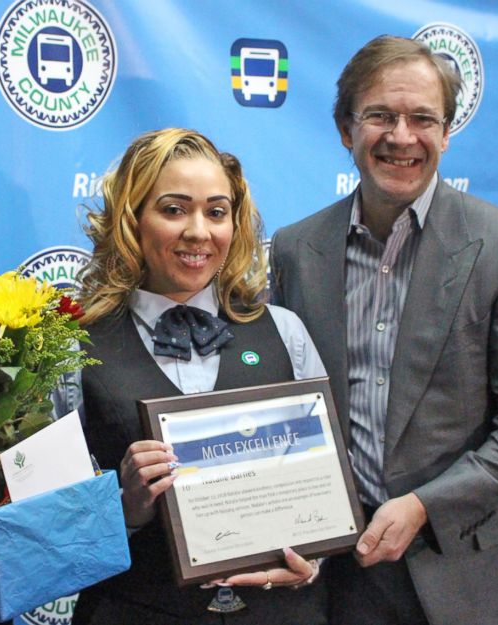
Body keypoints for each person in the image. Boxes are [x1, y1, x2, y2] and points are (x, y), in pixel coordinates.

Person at [270, 36, 498, 625]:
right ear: (345, 129)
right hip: (343, 575)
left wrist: (424, 507)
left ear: (447, 132)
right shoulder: (296, 250)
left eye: (422, 119)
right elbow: (289, 406)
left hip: (475, 575)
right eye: (380, 115)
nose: (401, 137)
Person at [60, 128, 328, 625]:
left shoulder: (284, 331)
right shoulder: (74, 347)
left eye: (217, 211)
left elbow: (325, 487)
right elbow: (50, 532)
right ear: (131, 219)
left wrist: (311, 560)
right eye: (174, 209)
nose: (199, 231)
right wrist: (127, 508)